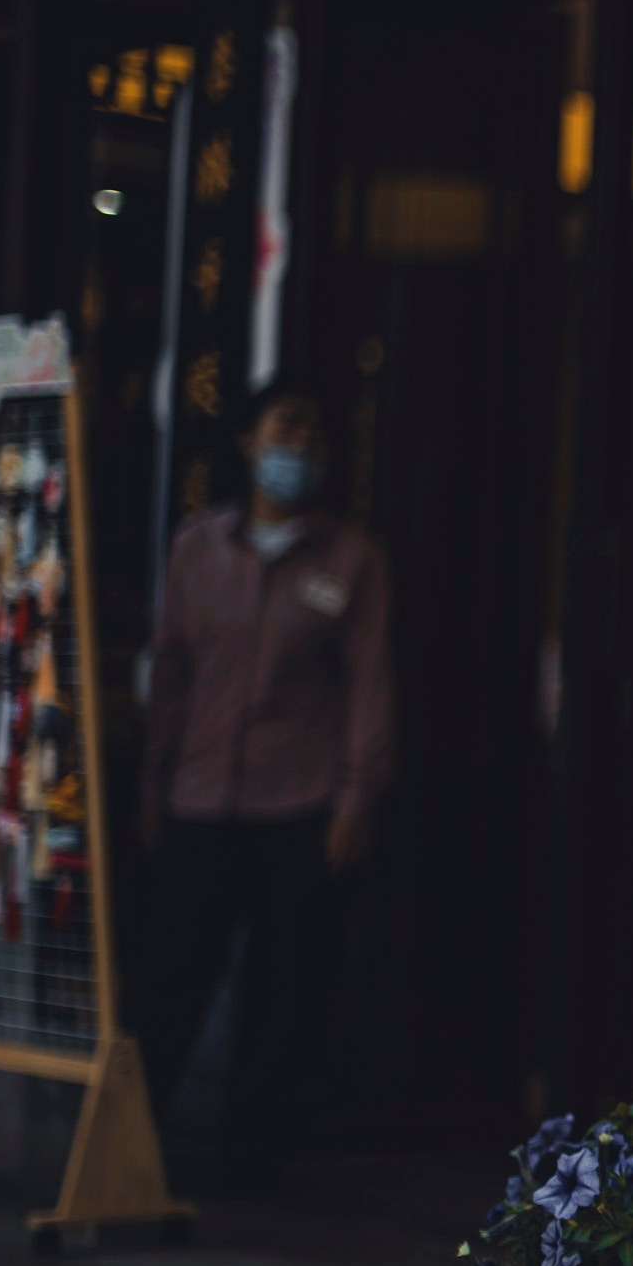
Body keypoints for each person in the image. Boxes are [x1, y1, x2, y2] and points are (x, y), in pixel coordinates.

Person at [137, 378, 393, 1183]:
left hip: (300, 801)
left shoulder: (352, 559)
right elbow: (171, 668)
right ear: (249, 442)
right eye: (287, 428)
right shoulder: (197, 548)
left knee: (285, 984)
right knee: (173, 971)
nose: (301, 447)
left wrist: (357, 797)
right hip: (201, 795)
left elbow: (369, 687)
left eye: (314, 433)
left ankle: (252, 1152)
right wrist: (154, 781)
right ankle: (130, 1137)